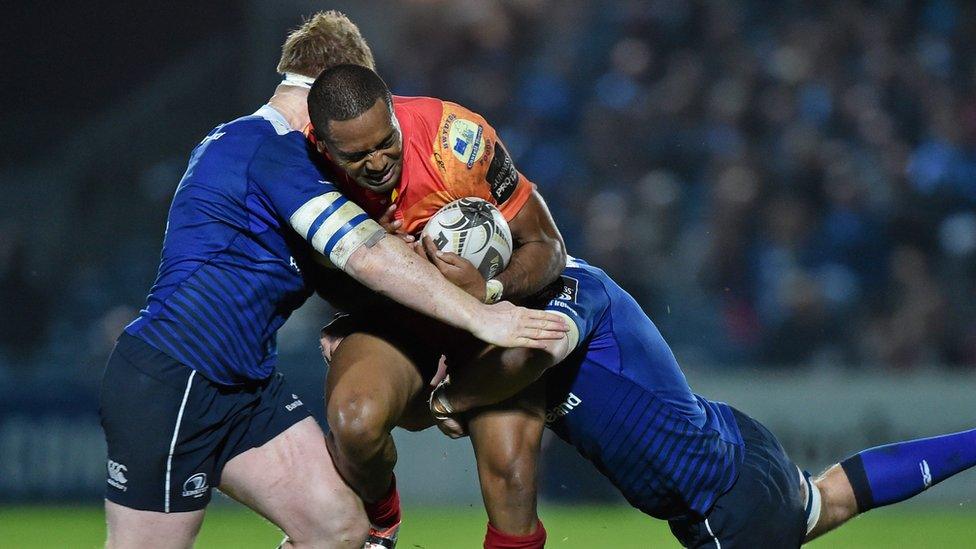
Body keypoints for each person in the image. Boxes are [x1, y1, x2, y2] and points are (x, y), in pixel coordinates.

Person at [99, 12, 567, 549]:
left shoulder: (265, 150)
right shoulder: (274, 148)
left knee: (340, 528)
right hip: (177, 377)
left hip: (245, 387)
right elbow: (367, 255)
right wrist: (483, 314)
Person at [427, 256, 976, 548]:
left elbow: (541, 350)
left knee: (826, 503)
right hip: (739, 453)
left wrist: (454, 399)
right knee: (832, 498)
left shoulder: (569, 290)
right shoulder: (512, 325)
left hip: (720, 507)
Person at [304, 64, 567, 548]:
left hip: (487, 322)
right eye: (357, 155)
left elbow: (548, 247)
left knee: (511, 474)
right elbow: (318, 283)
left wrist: (489, 290)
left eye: (387, 141)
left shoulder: (456, 140)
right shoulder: (301, 170)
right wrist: (372, 262)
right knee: (353, 423)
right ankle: (381, 527)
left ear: (394, 114)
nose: (379, 162)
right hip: (395, 323)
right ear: (324, 147)